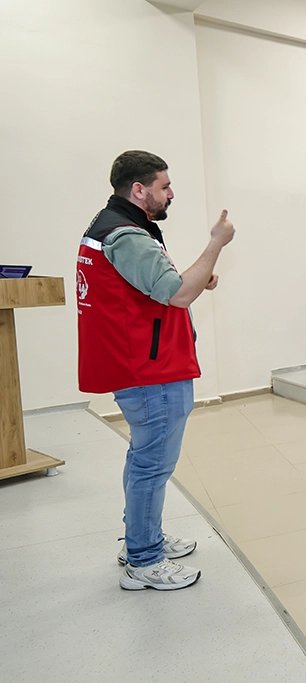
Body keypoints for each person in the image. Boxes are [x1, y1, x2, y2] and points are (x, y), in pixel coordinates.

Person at [77, 150, 235, 590]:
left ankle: (141, 540)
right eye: (164, 186)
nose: (171, 193)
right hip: (149, 369)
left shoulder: (111, 226)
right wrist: (216, 244)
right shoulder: (127, 235)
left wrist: (198, 278)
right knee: (152, 464)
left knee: (143, 459)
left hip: (138, 361)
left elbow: (155, 286)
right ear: (139, 190)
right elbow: (177, 294)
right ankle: (144, 561)